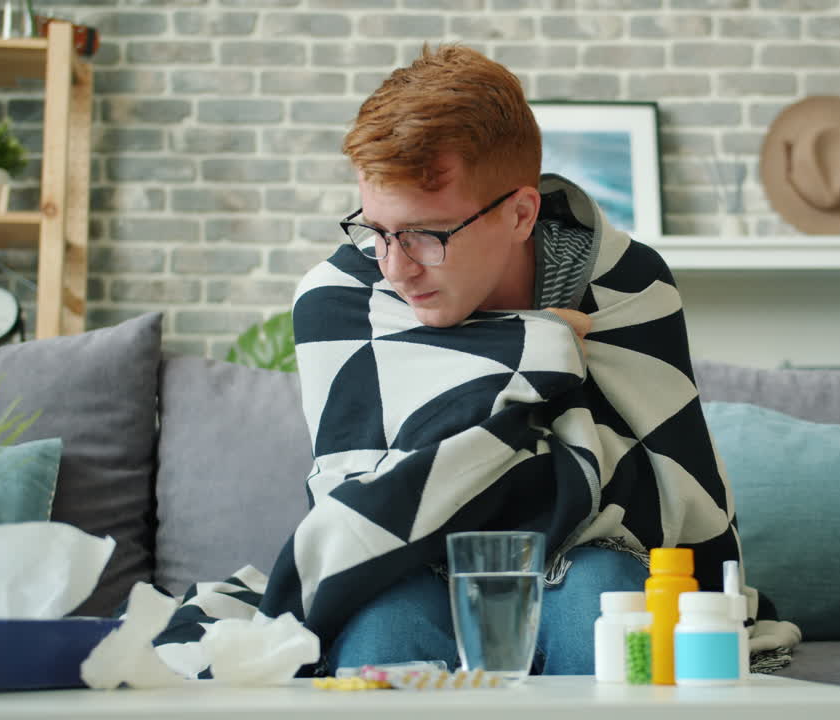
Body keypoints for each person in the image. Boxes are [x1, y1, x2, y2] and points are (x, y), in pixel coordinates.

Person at [154, 44, 785, 679]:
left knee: (609, 610)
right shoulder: (340, 299)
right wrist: (541, 347)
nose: (396, 268)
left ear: (519, 213)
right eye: (375, 230)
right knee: (382, 637)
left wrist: (490, 393)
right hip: (403, 562)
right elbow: (380, 502)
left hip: (587, 556)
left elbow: (659, 495)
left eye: (428, 234)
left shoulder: (627, 285)